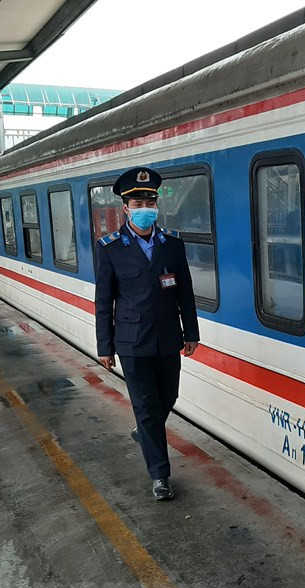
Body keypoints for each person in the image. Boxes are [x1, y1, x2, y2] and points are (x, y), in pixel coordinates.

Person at [94, 167, 200, 500]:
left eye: (149, 201)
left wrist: (191, 333)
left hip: (168, 337)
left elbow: (185, 292)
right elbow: (104, 300)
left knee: (168, 397)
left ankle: (145, 432)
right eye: (138, 202)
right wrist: (105, 345)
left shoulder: (172, 244)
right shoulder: (110, 248)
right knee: (146, 406)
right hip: (132, 341)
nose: (145, 208)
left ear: (157, 205)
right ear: (125, 208)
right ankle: (160, 476)